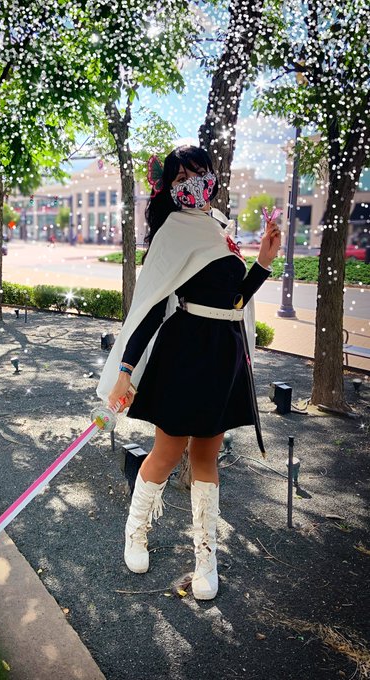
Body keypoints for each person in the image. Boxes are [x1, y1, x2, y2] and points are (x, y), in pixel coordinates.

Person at [97, 145, 281, 600]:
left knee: (205, 459)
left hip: (221, 356)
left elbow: (234, 301)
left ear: (212, 178)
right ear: (169, 187)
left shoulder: (220, 229)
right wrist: (126, 370)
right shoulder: (172, 232)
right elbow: (151, 306)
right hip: (184, 354)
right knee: (166, 452)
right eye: (180, 178)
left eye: (199, 174)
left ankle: (206, 557)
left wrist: (262, 263)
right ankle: (135, 531)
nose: (191, 184)